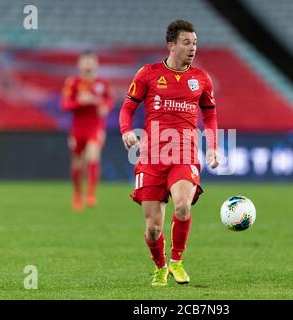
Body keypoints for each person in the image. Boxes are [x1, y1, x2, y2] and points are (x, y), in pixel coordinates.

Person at [119, 20, 219, 286]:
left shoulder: (201, 79)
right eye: (187, 43)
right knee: (153, 229)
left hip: (184, 153)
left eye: (195, 43)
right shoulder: (148, 74)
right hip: (151, 157)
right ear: (171, 45)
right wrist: (126, 130)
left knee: (183, 205)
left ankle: (176, 260)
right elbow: (127, 107)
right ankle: (160, 266)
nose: (192, 48)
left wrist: (213, 148)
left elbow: (210, 116)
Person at [61, 51, 114, 212]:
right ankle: (77, 194)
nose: (88, 65)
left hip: (95, 127)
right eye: (85, 62)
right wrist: (79, 102)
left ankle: (90, 194)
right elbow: (65, 105)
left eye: (91, 61)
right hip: (78, 128)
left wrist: (105, 107)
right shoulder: (73, 83)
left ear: (96, 64)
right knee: (77, 163)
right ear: (79, 64)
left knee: (93, 154)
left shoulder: (103, 83)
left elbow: (109, 100)